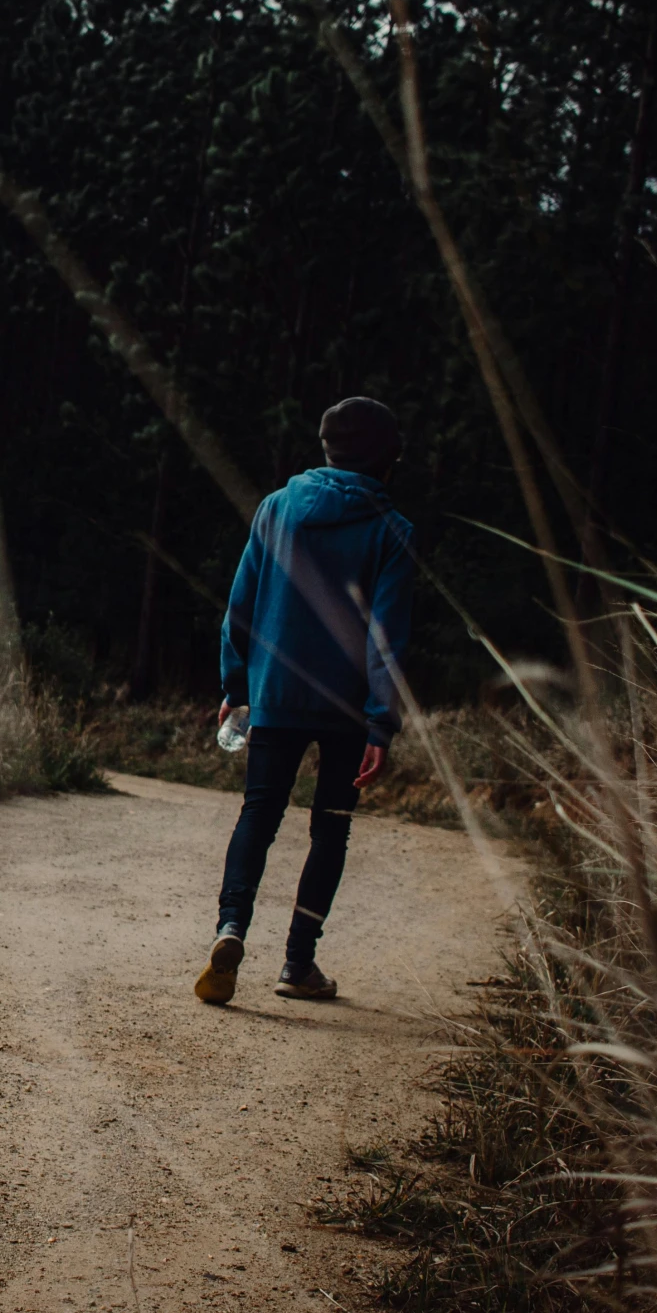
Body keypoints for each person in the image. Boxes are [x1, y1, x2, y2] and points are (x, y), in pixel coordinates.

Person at [195, 397, 414, 1006]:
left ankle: (231, 927)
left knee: (257, 816)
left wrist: (236, 685)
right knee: (330, 831)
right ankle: (298, 963)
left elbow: (240, 604)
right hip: (347, 709)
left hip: (274, 694)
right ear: (386, 459)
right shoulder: (393, 531)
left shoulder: (276, 509)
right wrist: (381, 725)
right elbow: (387, 639)